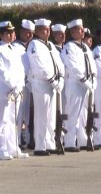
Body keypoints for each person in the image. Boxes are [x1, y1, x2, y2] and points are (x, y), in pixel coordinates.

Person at [27, 18, 65, 156]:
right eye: (44, 29)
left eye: (48, 29)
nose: (47, 31)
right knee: (41, 115)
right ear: (37, 31)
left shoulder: (51, 46)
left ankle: (49, 143)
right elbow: (39, 65)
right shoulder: (34, 45)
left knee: (50, 117)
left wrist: (60, 79)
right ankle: (40, 146)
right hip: (41, 83)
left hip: (52, 85)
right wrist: (52, 79)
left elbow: (60, 64)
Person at [61, 19, 97, 152]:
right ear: (72, 32)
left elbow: (92, 65)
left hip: (87, 85)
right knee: (73, 113)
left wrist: (93, 80)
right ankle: (69, 142)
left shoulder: (85, 47)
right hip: (75, 83)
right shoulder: (69, 47)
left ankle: (83, 140)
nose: (83, 31)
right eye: (79, 29)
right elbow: (73, 66)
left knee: (84, 114)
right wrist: (84, 80)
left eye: (83, 29)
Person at [0, 21, 28, 159]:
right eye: (8, 33)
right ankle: (1, 148)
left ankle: (13, 147)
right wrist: (13, 85)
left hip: (16, 90)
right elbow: (2, 72)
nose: (11, 35)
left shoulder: (15, 49)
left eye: (12, 32)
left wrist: (19, 85)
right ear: (1, 35)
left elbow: (21, 70)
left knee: (14, 119)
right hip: (4, 90)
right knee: (2, 120)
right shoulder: (0, 50)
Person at [12, 19, 35, 149]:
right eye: (27, 33)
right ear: (21, 32)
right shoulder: (15, 47)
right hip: (21, 84)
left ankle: (30, 138)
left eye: (31, 33)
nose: (29, 35)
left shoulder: (33, 46)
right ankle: (19, 139)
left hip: (33, 84)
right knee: (19, 112)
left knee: (30, 113)